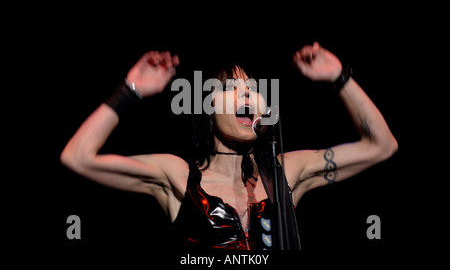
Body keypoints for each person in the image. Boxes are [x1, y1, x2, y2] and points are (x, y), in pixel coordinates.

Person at [60, 42, 398, 250]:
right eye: (232, 87)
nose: (248, 93)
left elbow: (381, 145)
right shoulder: (178, 176)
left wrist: (340, 77)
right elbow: (77, 157)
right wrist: (131, 90)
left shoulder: (286, 172)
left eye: (252, 87)